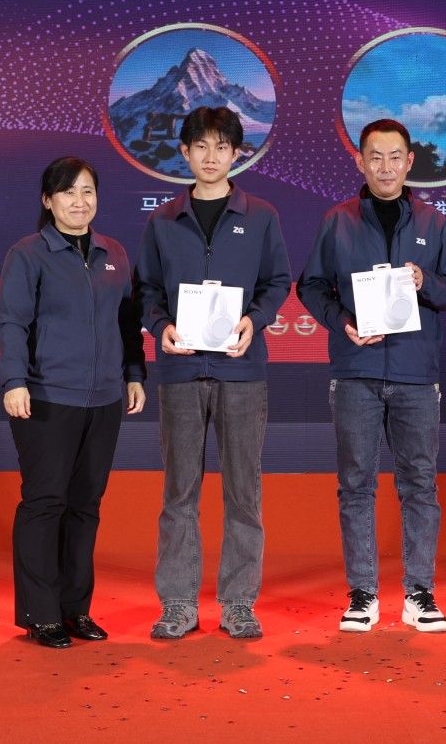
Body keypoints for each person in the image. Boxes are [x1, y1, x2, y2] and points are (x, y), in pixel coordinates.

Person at [298, 119, 446, 634]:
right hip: (356, 372)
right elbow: (311, 286)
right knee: (355, 485)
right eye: (375, 157)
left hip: (416, 375)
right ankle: (363, 593)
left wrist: (425, 280)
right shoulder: (338, 221)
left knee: (420, 484)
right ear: (360, 161)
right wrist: (343, 323)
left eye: (395, 156)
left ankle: (420, 592)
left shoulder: (433, 223)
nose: (386, 167)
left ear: (410, 162)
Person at [138, 107, 291, 640]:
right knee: (179, 492)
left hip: (241, 371)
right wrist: (160, 325)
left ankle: (239, 602)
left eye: (221, 147)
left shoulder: (261, 215)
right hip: (181, 371)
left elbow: (278, 281)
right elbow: (147, 290)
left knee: (243, 492)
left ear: (235, 154)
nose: (210, 156)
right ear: (184, 153)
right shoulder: (163, 221)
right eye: (200, 146)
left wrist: (256, 319)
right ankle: (179, 603)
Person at [0, 157, 147, 649]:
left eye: (87, 192)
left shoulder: (114, 253)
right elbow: (12, 322)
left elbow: (128, 323)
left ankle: (75, 609)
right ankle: (41, 614)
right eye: (68, 192)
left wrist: (134, 374)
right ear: (48, 200)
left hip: (104, 400)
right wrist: (14, 381)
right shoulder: (28, 254)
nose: (79, 202)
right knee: (46, 502)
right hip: (45, 397)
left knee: (85, 505)